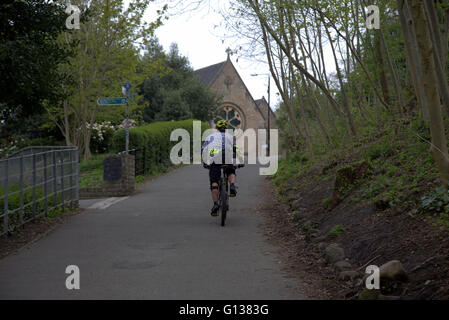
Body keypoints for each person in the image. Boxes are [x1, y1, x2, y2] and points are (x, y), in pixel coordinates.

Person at [202, 120, 244, 216]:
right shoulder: (230, 137)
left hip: (215, 158)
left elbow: (204, 149)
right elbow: (236, 149)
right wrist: (241, 161)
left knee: (214, 181)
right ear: (226, 129)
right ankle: (232, 185)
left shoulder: (210, 137)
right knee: (231, 170)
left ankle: (216, 204)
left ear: (216, 128)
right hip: (227, 157)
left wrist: (205, 162)